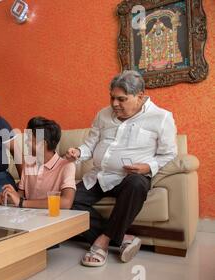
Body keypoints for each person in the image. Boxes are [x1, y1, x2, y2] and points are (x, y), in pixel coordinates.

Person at [65, 70, 177, 267]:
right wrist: (78, 153)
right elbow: (90, 145)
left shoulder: (161, 117)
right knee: (67, 202)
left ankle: (103, 242)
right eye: (112, 98)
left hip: (131, 178)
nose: (114, 104)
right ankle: (122, 238)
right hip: (99, 176)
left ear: (140, 96)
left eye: (121, 99)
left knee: (137, 184)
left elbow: (169, 154)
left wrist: (148, 167)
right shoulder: (103, 115)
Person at [0, 117, 76, 209]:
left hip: (53, 219)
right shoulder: (28, 165)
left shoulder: (67, 166)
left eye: (29, 138)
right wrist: (8, 197)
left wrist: (22, 203)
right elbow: (20, 196)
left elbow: (66, 203)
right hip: (29, 218)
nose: (25, 142)